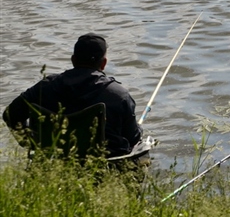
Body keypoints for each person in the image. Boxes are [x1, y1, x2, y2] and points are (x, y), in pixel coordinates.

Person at [3, 33, 143, 159]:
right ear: (104, 63)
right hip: (106, 165)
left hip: (54, 162)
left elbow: (10, 115)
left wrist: (31, 143)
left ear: (73, 60)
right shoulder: (118, 95)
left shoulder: (44, 88)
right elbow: (133, 139)